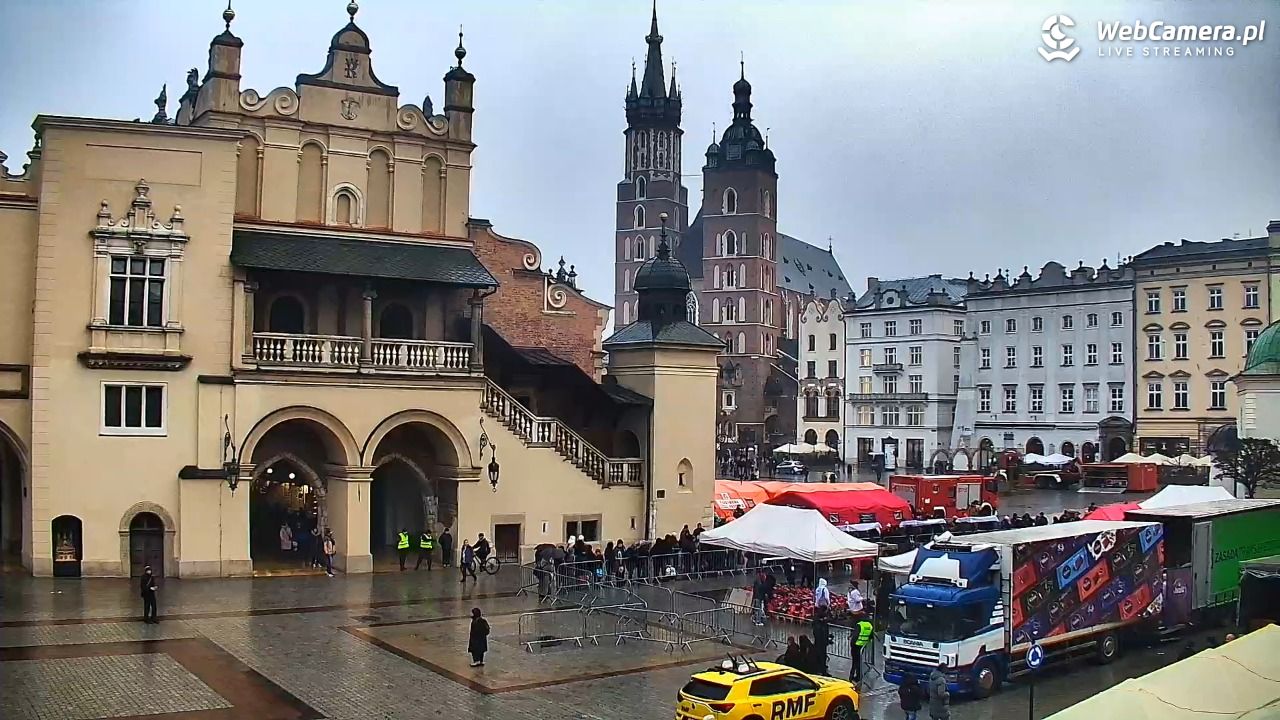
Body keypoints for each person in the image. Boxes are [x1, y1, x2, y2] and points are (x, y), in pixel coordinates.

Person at [851, 613, 874, 682]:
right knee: (859, 661)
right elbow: (871, 636)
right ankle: (858, 676)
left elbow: (855, 636)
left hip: (856, 646)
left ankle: (852, 676)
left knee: (855, 662)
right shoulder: (870, 625)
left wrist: (851, 644)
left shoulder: (859, 625)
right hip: (862, 646)